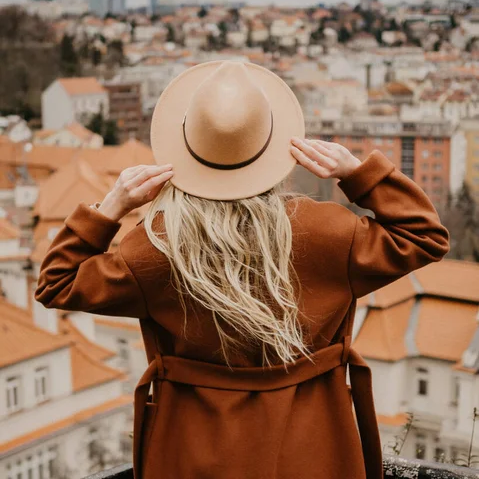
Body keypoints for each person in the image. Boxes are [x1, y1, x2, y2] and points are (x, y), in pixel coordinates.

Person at [36, 60, 450, 479]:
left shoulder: (156, 249)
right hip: (315, 440)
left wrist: (111, 208)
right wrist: (360, 174)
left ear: (185, 149)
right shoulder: (328, 233)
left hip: (193, 444)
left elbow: (56, 283)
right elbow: (425, 236)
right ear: (271, 150)